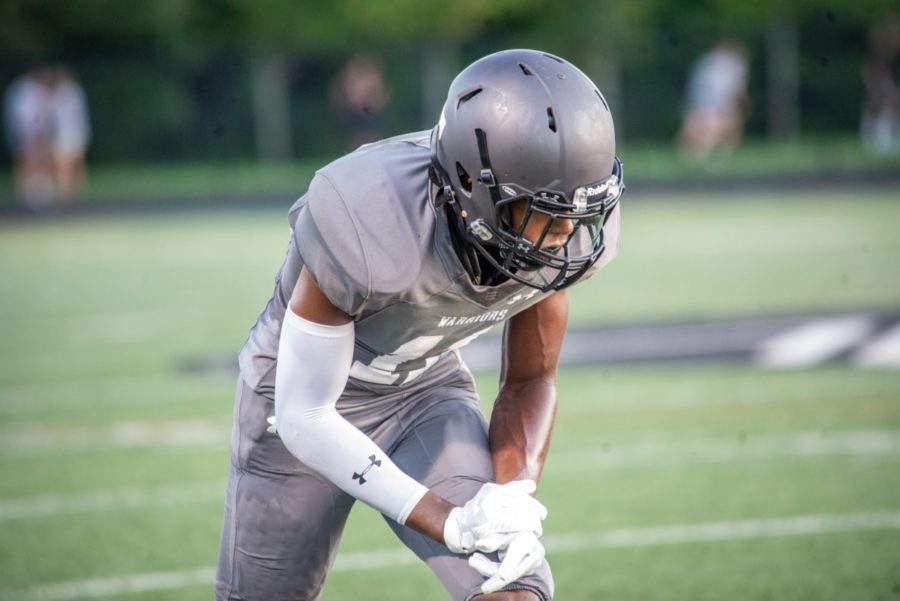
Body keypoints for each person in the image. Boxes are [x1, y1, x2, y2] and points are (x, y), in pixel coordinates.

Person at [215, 49, 624, 601]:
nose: (564, 237)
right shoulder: (369, 213)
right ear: (474, 188)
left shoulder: (564, 228)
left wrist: (510, 496)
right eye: (543, 213)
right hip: (296, 402)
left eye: (578, 213)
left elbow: (531, 380)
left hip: (422, 394)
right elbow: (305, 416)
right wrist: (448, 520)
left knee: (510, 586)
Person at [677, 40, 750, 162]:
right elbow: (735, 90)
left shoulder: (704, 62)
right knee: (717, 132)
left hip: (699, 103)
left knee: (697, 134)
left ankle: (693, 159)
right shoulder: (733, 65)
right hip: (717, 105)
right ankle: (714, 157)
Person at [3, 66, 56, 207]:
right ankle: (25, 197)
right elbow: (25, 116)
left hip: (31, 132)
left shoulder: (24, 89)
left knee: (38, 163)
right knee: (27, 163)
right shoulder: (25, 90)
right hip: (27, 133)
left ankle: (37, 194)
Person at [860, 14, 900, 155]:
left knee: (887, 110)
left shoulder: (886, 56)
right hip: (880, 89)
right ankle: (879, 146)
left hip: (883, 88)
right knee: (881, 110)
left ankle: (883, 144)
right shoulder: (879, 56)